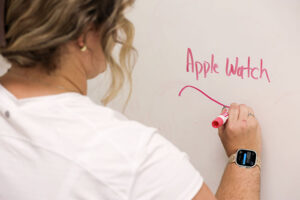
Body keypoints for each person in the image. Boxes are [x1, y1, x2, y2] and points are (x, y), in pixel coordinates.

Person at [0, 0, 262, 199]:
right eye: (114, 23)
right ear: (84, 34)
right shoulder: (132, 156)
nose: (116, 36)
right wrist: (244, 155)